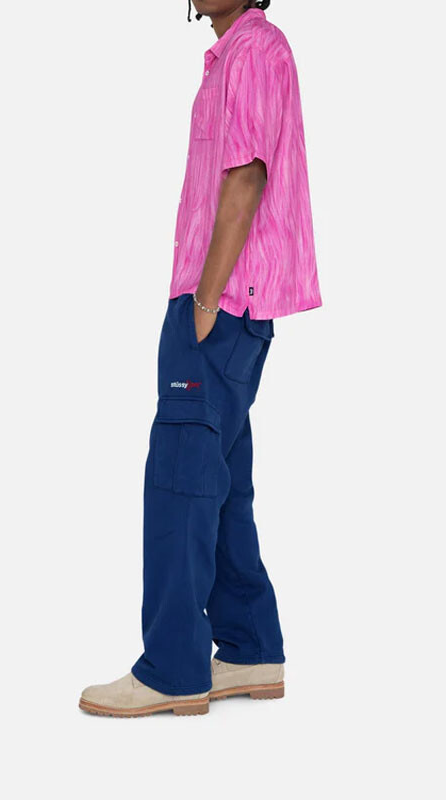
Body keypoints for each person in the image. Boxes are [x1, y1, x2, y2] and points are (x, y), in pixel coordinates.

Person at [79, 0, 322, 717]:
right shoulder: (238, 55)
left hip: (219, 305)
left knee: (181, 481)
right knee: (221, 480)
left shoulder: (254, 50)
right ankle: (249, 648)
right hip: (230, 307)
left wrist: (205, 298)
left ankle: (173, 669)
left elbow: (245, 178)